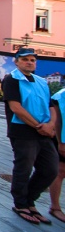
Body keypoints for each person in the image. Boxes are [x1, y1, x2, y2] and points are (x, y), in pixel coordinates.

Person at [2, 47, 58, 225]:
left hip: (44, 131)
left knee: (50, 169)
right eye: (25, 59)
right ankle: (21, 204)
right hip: (23, 131)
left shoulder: (42, 81)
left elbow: (51, 106)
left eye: (32, 60)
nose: (29, 62)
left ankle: (30, 200)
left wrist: (50, 126)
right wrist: (37, 126)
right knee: (23, 168)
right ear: (17, 61)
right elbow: (15, 107)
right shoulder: (12, 79)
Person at [49, 88, 65, 223]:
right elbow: (59, 120)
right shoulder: (60, 96)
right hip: (63, 139)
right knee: (60, 171)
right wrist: (61, 142)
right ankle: (55, 207)